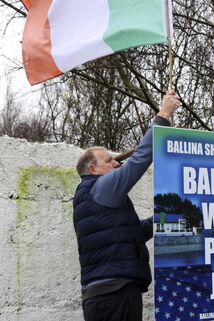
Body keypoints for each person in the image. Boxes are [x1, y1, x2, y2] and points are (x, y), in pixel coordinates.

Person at [72, 91, 180, 321]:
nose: (116, 163)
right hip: (115, 292)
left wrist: (165, 218)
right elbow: (140, 159)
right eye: (109, 160)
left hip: (105, 294)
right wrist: (163, 115)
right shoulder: (100, 187)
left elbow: (131, 235)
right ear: (92, 169)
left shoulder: (91, 197)